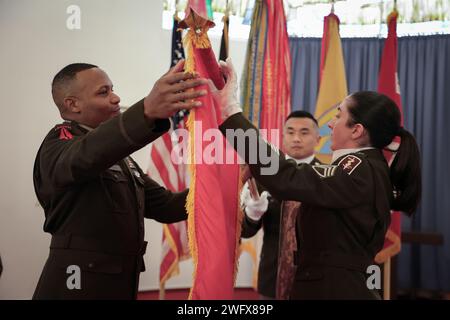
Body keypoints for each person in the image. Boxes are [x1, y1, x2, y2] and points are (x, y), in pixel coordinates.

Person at [215, 59, 421, 299]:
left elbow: (289, 176)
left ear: (357, 130)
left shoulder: (358, 169)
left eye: (338, 116)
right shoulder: (364, 167)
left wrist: (230, 110)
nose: (330, 124)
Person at [33, 62, 207, 299]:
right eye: (103, 92)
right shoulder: (58, 143)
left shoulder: (120, 158)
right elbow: (85, 156)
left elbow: (167, 207)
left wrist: (223, 181)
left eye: (112, 89)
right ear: (73, 104)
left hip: (119, 286)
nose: (116, 98)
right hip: (76, 288)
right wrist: (145, 111)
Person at [240, 111, 321, 299]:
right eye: (290, 132)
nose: (296, 138)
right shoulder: (265, 176)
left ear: (317, 138)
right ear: (283, 137)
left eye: (304, 132)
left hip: (315, 275)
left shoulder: (327, 176)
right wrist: (253, 213)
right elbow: (246, 232)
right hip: (272, 274)